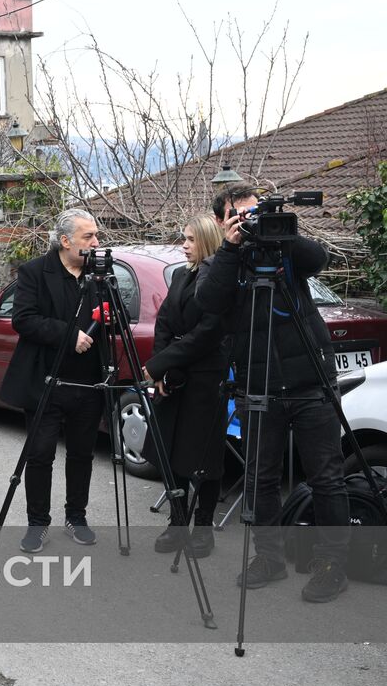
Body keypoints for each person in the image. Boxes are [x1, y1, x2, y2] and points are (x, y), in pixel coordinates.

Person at [197, 188, 350, 602]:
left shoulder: (286, 254)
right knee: (259, 478)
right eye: (239, 215)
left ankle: (333, 563)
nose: (249, 221)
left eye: (254, 213)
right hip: (257, 387)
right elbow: (208, 301)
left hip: (310, 382)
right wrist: (232, 247)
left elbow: (319, 259)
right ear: (221, 221)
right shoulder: (220, 262)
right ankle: (269, 558)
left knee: (327, 478)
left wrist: (281, 234)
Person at [0, 208, 105, 553]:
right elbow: (24, 320)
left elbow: (110, 318)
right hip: (46, 380)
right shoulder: (34, 273)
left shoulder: (98, 276)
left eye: (96, 236)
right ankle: (37, 522)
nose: (95, 242)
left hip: (88, 383)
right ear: (64, 241)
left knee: (81, 454)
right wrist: (68, 335)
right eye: (88, 236)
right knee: (41, 454)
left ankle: (76, 515)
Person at [143, 214, 229, 558]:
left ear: (207, 241)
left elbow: (207, 334)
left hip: (206, 377)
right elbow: (164, 322)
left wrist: (162, 364)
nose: (184, 245)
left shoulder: (221, 281)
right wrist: (163, 371)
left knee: (204, 456)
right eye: (184, 238)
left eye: (190, 240)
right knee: (171, 451)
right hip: (175, 375)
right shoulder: (180, 274)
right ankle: (177, 523)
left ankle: (203, 528)